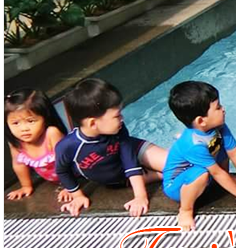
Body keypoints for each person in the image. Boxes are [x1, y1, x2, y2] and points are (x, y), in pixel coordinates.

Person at [55, 78, 167, 217]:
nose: (122, 118)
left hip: (136, 151)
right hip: (119, 179)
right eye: (117, 115)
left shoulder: (118, 129)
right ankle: (159, 175)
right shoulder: (68, 146)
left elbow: (129, 160)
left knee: (178, 165)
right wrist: (77, 194)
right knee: (171, 173)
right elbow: (62, 170)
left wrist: (140, 197)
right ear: (93, 123)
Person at [164, 81, 236, 230]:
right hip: (178, 186)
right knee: (202, 172)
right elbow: (216, 172)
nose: (223, 109)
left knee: (220, 147)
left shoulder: (219, 127)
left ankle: (225, 180)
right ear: (201, 121)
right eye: (218, 107)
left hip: (205, 174)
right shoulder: (193, 143)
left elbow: (235, 154)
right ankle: (185, 210)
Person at [5, 88, 69, 201]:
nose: (24, 129)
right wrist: (26, 186)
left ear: (45, 118)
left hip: (76, 175)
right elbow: (19, 165)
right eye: (15, 123)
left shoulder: (51, 134)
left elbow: (67, 162)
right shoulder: (16, 143)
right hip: (55, 181)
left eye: (31, 121)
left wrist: (70, 187)